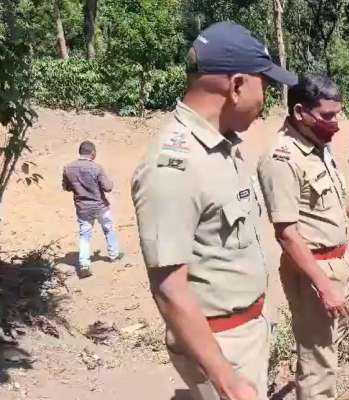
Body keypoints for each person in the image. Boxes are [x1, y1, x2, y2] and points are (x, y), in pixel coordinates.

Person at [131, 22, 297, 400]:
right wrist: (228, 381)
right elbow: (171, 289)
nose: (266, 100)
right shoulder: (174, 165)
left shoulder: (223, 144)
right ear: (237, 85)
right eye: (265, 87)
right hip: (221, 346)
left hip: (244, 332)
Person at [257, 73, 349, 400]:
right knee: (317, 359)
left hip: (335, 264)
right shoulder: (281, 158)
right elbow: (286, 233)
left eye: (338, 114)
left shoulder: (317, 146)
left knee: (327, 350)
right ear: (301, 112)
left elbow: (321, 201)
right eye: (328, 116)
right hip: (313, 272)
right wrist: (325, 286)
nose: (336, 123)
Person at [62, 140, 123, 278]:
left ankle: (84, 264)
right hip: (100, 206)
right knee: (108, 228)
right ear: (93, 153)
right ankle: (114, 255)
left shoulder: (68, 168)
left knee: (85, 236)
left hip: (82, 208)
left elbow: (66, 187)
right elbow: (108, 187)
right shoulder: (97, 168)